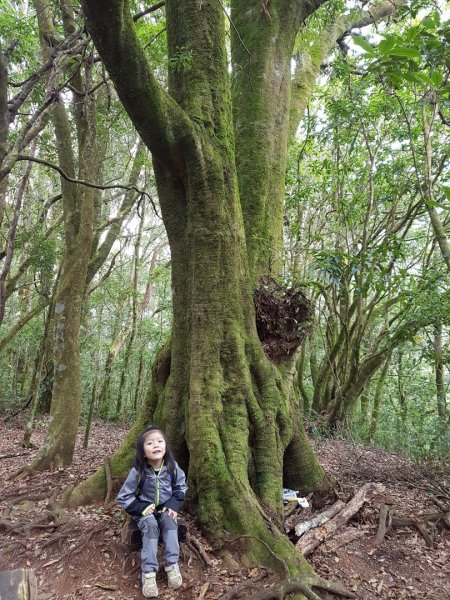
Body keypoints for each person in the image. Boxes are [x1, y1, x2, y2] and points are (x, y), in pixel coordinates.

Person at [117, 427, 187, 598]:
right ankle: (148, 573)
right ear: (143, 453)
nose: (156, 445)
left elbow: (181, 487)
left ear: (166, 447)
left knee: (170, 522)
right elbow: (123, 496)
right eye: (149, 443)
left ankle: (171, 564)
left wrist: (173, 504)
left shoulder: (172, 467)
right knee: (150, 525)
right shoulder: (138, 471)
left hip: (164, 508)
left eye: (159, 441)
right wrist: (140, 508)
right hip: (145, 511)